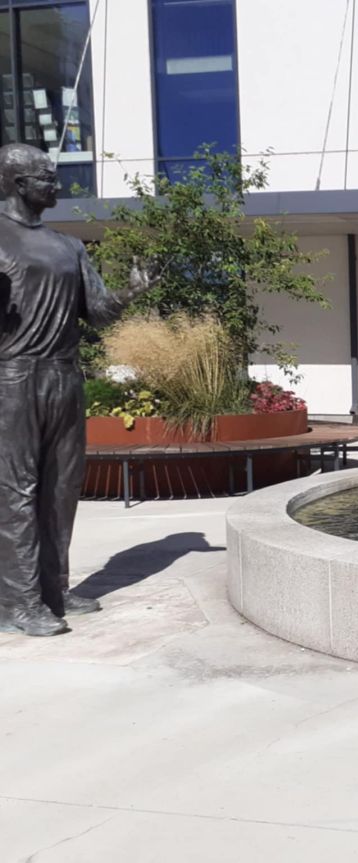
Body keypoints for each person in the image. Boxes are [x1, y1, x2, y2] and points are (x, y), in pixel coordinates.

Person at [0, 143, 146, 636]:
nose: (56, 184)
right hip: (13, 377)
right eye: (46, 176)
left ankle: (53, 589)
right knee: (16, 491)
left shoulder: (69, 246)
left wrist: (128, 293)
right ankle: (19, 603)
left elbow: (97, 312)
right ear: (19, 183)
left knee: (62, 488)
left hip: (65, 375)